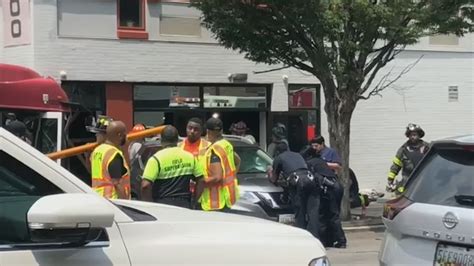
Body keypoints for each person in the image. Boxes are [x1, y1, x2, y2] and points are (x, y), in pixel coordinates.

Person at [140, 126, 204, 208]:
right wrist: (194, 202)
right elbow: (201, 180)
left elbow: (145, 186)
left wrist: (150, 206)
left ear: (161, 140)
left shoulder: (156, 159)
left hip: (162, 205)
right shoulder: (190, 157)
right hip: (184, 205)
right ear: (177, 140)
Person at [270, 142, 320, 239]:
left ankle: (302, 237)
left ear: (277, 151)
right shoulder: (297, 155)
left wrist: (269, 173)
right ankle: (315, 238)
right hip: (310, 180)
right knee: (312, 212)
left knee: (300, 211)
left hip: (297, 183)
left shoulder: (279, 158)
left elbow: (274, 179)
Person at [196, 117, 240, 211]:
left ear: (208, 132)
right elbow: (238, 161)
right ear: (222, 130)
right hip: (227, 197)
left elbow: (217, 177)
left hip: (215, 202)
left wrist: (199, 183)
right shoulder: (226, 145)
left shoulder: (214, 150)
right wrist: (232, 177)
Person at [90, 120, 130, 199]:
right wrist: (127, 204)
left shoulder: (97, 150)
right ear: (120, 135)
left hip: (98, 198)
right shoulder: (114, 154)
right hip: (112, 201)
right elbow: (117, 183)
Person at [387, 123, 429, 194]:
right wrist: (390, 179)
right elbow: (396, 165)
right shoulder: (403, 150)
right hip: (407, 182)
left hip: (424, 181)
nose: (412, 137)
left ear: (419, 135)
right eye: (410, 135)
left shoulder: (427, 147)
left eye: (414, 135)